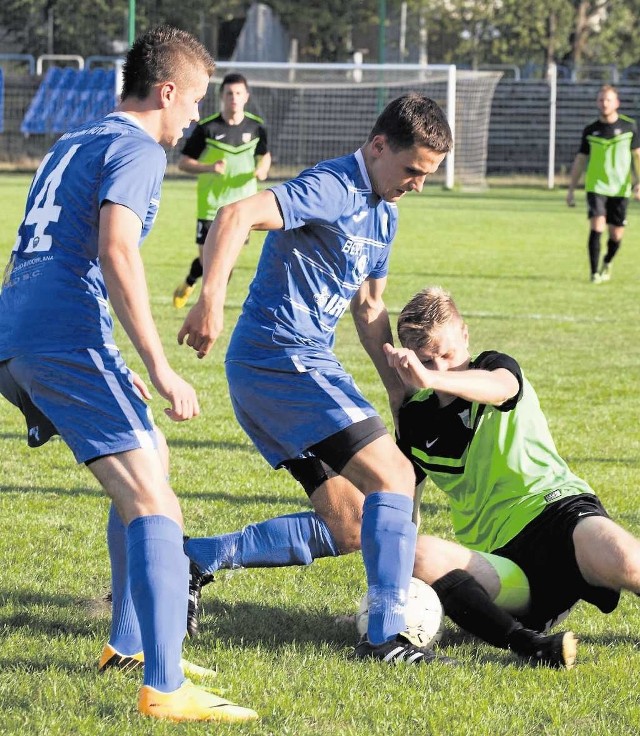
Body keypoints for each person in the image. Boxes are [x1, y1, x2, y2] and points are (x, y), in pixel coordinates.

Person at [0, 26, 257, 723]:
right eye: (194, 101)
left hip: (25, 321)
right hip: (59, 332)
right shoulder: (138, 148)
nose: (194, 119)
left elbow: (62, 246)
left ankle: (129, 644)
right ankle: (165, 688)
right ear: (167, 91)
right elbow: (115, 250)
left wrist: (110, 358)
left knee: (151, 461)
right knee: (155, 501)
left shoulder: (76, 139)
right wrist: (159, 365)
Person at [178, 94, 456, 665]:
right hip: (278, 359)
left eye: (427, 176)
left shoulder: (385, 213)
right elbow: (236, 214)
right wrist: (211, 300)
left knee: (351, 524)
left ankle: (193, 558)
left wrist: (399, 388)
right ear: (379, 146)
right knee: (394, 477)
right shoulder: (333, 185)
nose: (418, 185)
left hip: (301, 365)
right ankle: (386, 639)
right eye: (412, 170)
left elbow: (371, 307)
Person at [384, 285, 640, 667]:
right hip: (501, 562)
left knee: (629, 561)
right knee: (415, 552)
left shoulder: (494, 367)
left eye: (447, 354)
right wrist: (384, 600)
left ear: (466, 335)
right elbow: (405, 507)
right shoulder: (416, 420)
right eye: (426, 361)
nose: (439, 367)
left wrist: (431, 379)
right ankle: (531, 645)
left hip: (561, 516)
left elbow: (502, 389)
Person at [172, 72, 271, 308]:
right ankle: (190, 281)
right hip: (211, 205)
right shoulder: (207, 128)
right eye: (229, 93)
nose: (234, 98)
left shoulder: (257, 127)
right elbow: (183, 163)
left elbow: (264, 155)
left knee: (225, 262)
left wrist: (263, 169)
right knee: (209, 261)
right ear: (221, 97)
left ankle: (210, 307)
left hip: (242, 208)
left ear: (246, 97)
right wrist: (209, 167)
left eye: (238, 93)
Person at [566, 84, 640, 283]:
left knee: (616, 235)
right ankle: (594, 273)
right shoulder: (591, 130)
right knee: (597, 226)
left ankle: (607, 261)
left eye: (608, 100)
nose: (604, 103)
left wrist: (639, 183)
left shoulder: (629, 127)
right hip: (596, 186)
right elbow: (581, 160)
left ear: (617, 103)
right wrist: (571, 189)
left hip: (621, 188)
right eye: (601, 100)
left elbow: (637, 157)